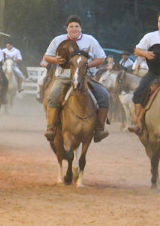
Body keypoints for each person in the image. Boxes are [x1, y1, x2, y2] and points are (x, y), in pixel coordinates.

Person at [42, 15, 110, 143]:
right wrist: (56, 60)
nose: (74, 29)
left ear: (81, 28)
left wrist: (84, 66)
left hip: (86, 78)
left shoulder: (90, 40)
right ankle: (51, 127)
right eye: (71, 26)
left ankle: (100, 129)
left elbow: (101, 58)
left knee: (104, 95)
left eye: (76, 26)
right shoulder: (58, 40)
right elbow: (47, 56)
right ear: (67, 29)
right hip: (63, 77)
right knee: (53, 95)